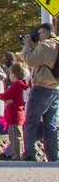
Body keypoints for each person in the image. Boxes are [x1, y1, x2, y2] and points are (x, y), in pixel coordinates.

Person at [21, 22, 59, 161]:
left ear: (47, 33)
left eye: (40, 33)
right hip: (55, 87)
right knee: (51, 125)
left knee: (31, 121)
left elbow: (30, 60)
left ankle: (30, 154)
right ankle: (53, 156)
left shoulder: (46, 45)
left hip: (42, 87)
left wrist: (27, 45)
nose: (39, 36)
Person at [0, 62, 30, 160]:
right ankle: (15, 154)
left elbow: (6, 95)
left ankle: (17, 155)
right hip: (14, 114)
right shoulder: (21, 85)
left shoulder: (16, 85)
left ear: (14, 74)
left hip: (15, 114)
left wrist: (1, 96)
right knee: (14, 136)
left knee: (16, 137)